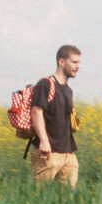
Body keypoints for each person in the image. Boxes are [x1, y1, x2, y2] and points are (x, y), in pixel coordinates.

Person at [31, 45, 82, 187]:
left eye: (79, 63)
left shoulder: (68, 90)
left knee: (67, 202)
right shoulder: (45, 84)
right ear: (61, 61)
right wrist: (44, 141)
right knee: (41, 198)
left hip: (68, 154)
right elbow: (36, 111)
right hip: (48, 152)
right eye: (74, 62)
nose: (78, 66)